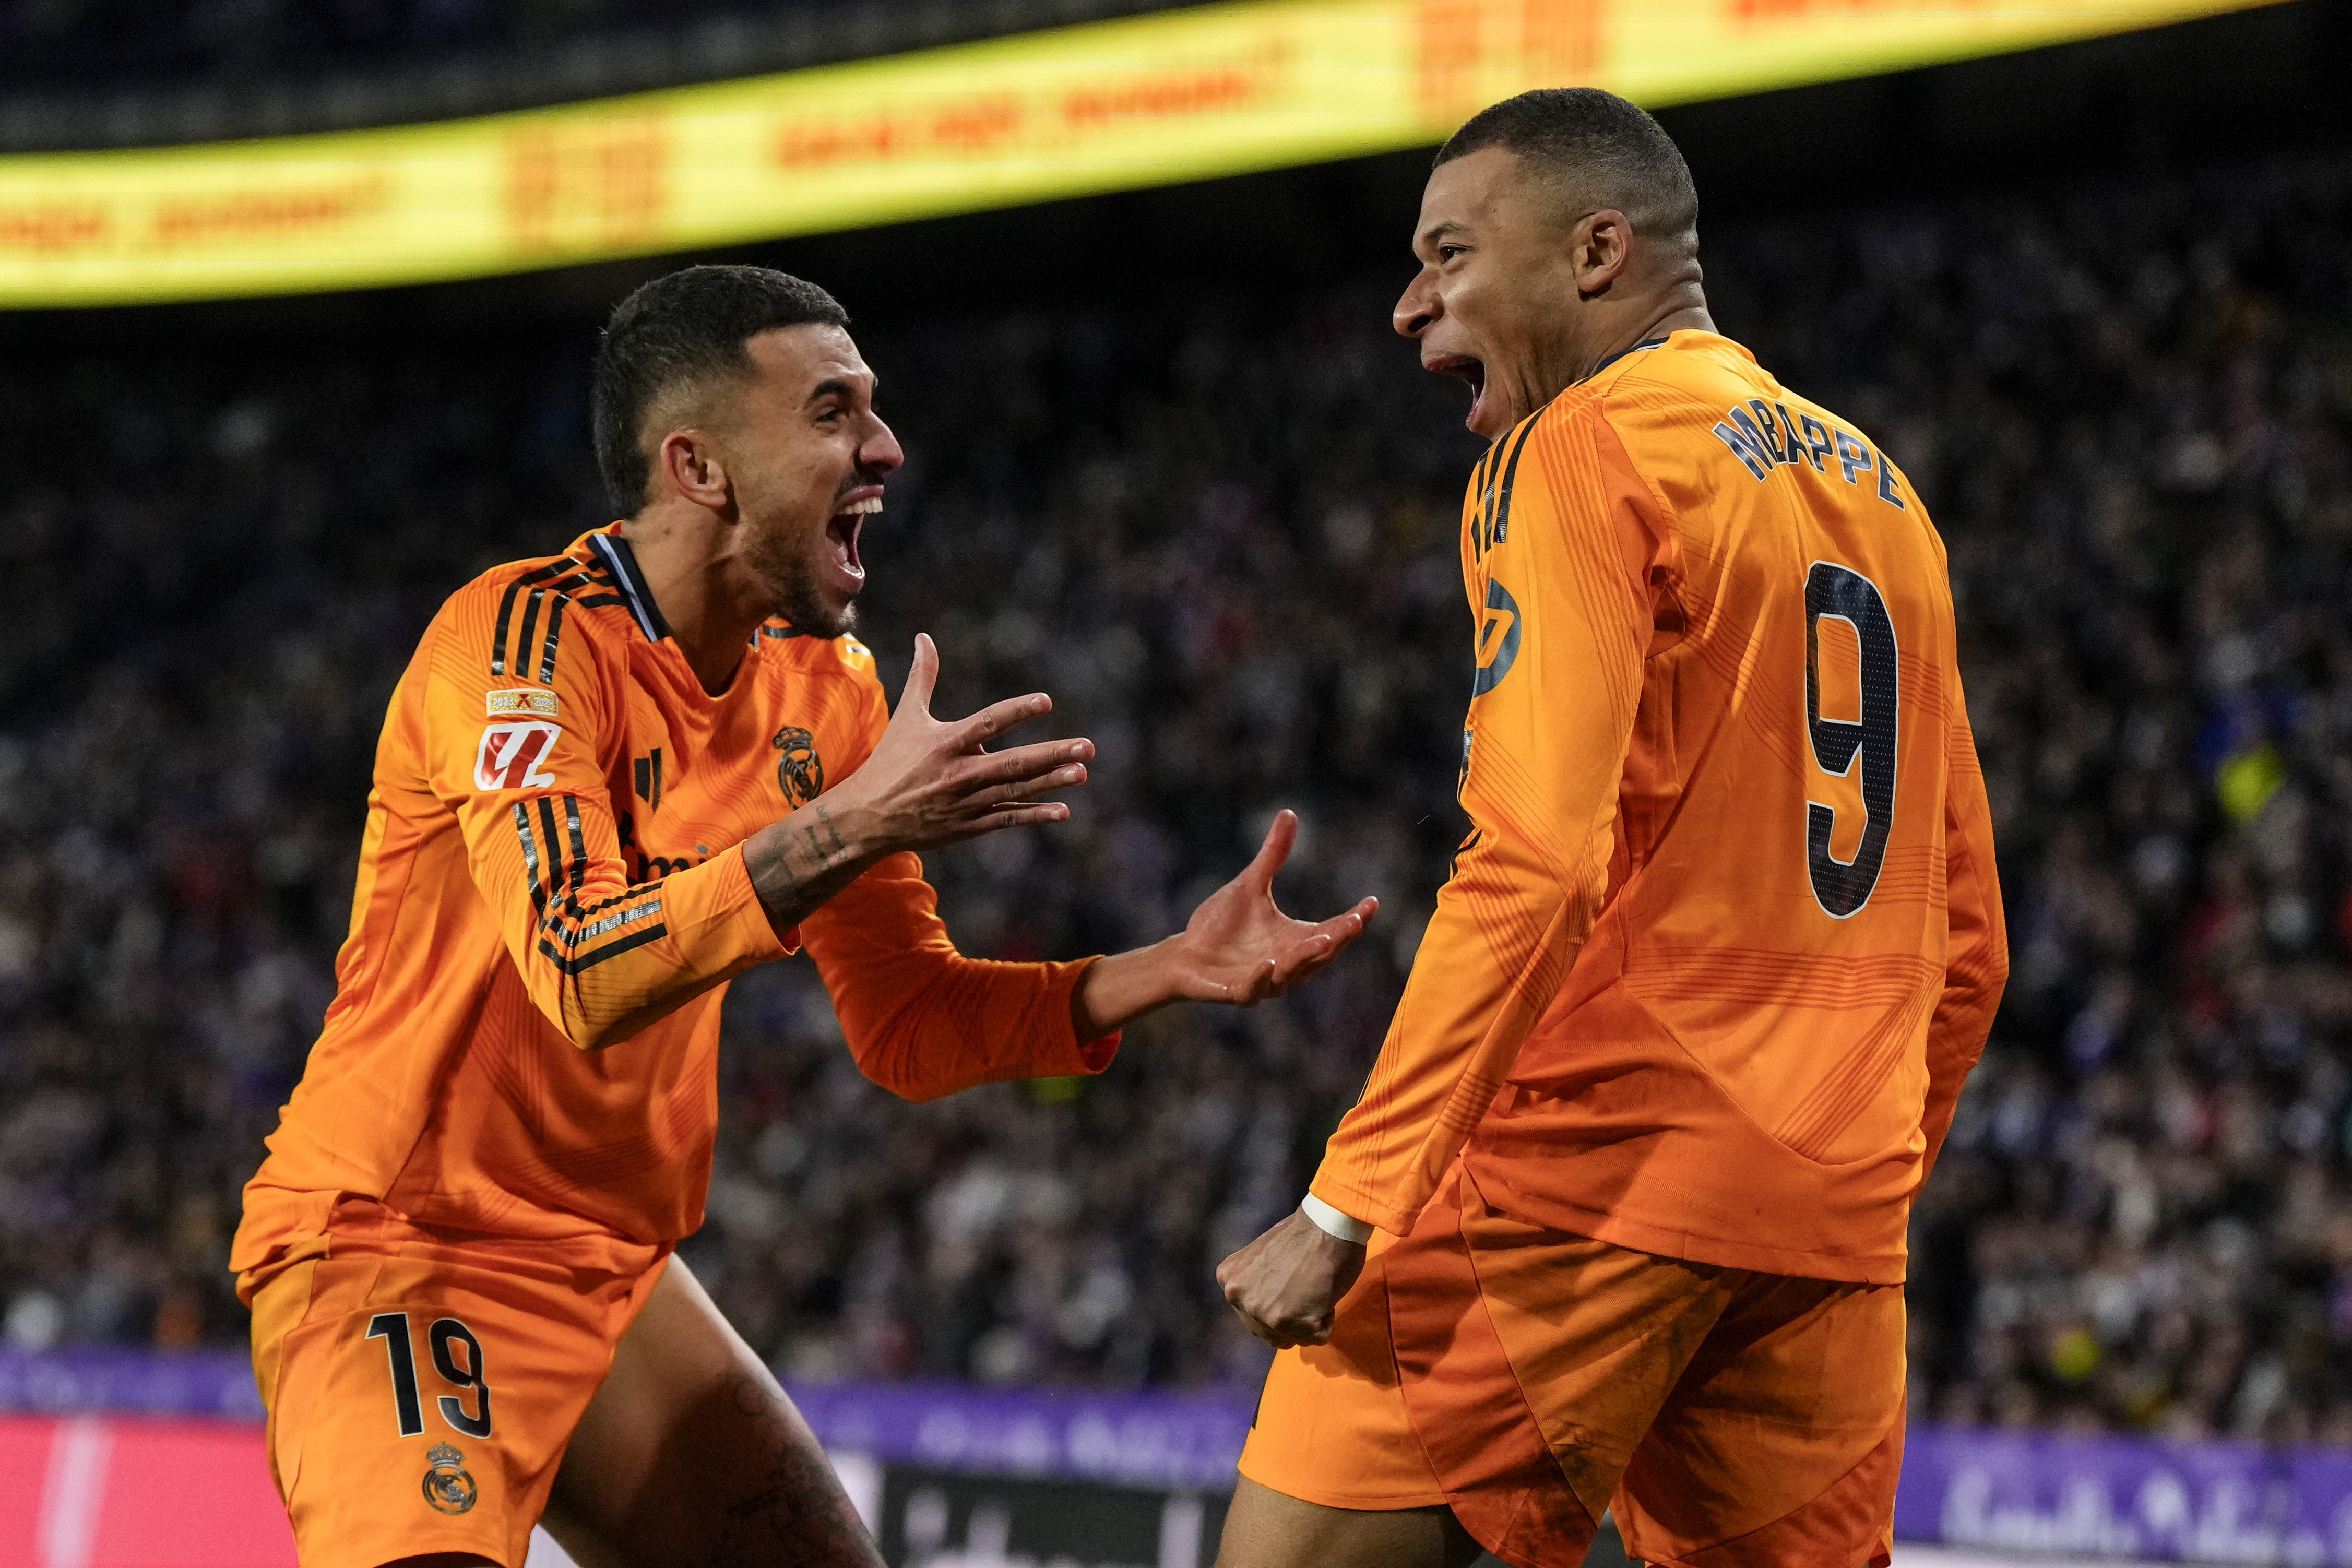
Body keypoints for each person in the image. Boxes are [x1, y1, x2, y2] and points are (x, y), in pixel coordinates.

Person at [230, 264, 1377, 1568]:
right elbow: (577, 965)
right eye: (834, 412)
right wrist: (847, 827)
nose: (884, 447)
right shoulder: (521, 644)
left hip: (608, 1268)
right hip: (398, 1241)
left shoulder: (827, 689)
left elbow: (908, 1022)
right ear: (700, 466)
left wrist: (1149, 971)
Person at [1214, 88, 2007, 1568]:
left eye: (1447, 254)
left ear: (1593, 254)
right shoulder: (1884, 489)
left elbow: (1534, 858)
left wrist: (1346, 1202)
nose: (1407, 305)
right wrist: (1854, 1176)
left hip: (1594, 1175)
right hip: (1831, 1223)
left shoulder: (1580, 445)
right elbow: (1969, 936)